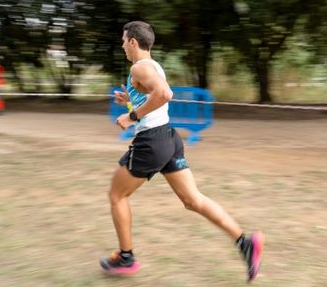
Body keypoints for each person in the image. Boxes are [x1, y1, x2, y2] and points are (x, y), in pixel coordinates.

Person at [100, 21, 264, 282]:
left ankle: (126, 256)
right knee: (193, 200)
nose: (121, 46)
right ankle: (245, 243)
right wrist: (129, 101)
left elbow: (165, 94)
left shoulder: (139, 66)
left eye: (123, 40)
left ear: (133, 41)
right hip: (168, 138)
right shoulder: (153, 65)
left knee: (116, 195)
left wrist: (131, 116)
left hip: (151, 143)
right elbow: (151, 98)